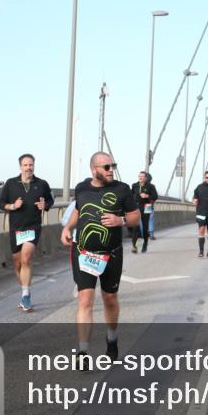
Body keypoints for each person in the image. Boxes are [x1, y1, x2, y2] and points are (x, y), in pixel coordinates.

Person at [60, 152, 139, 369]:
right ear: (94, 169)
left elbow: (135, 216)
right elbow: (78, 210)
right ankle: (83, 352)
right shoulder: (82, 188)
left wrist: (120, 220)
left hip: (111, 253)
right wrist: (68, 227)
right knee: (85, 299)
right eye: (106, 167)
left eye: (112, 165)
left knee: (110, 298)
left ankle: (112, 340)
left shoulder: (122, 189)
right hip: (84, 252)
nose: (110, 169)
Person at [0, 154, 54, 312]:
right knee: (17, 263)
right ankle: (24, 290)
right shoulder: (10, 184)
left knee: (27, 258)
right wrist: (13, 206)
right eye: (25, 165)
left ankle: (26, 295)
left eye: (31, 164)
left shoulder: (42, 184)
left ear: (34, 165)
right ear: (20, 167)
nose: (28, 167)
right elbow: (1, 204)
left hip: (33, 227)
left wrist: (45, 205)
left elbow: (50, 201)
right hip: (16, 228)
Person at [130, 171, 159, 253]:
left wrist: (147, 196)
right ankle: (134, 246)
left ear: (146, 178)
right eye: (139, 176)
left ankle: (145, 244)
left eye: (142, 176)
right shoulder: (134, 185)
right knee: (135, 226)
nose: (141, 178)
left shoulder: (150, 186)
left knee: (145, 226)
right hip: (136, 206)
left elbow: (155, 196)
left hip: (147, 206)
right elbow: (131, 195)